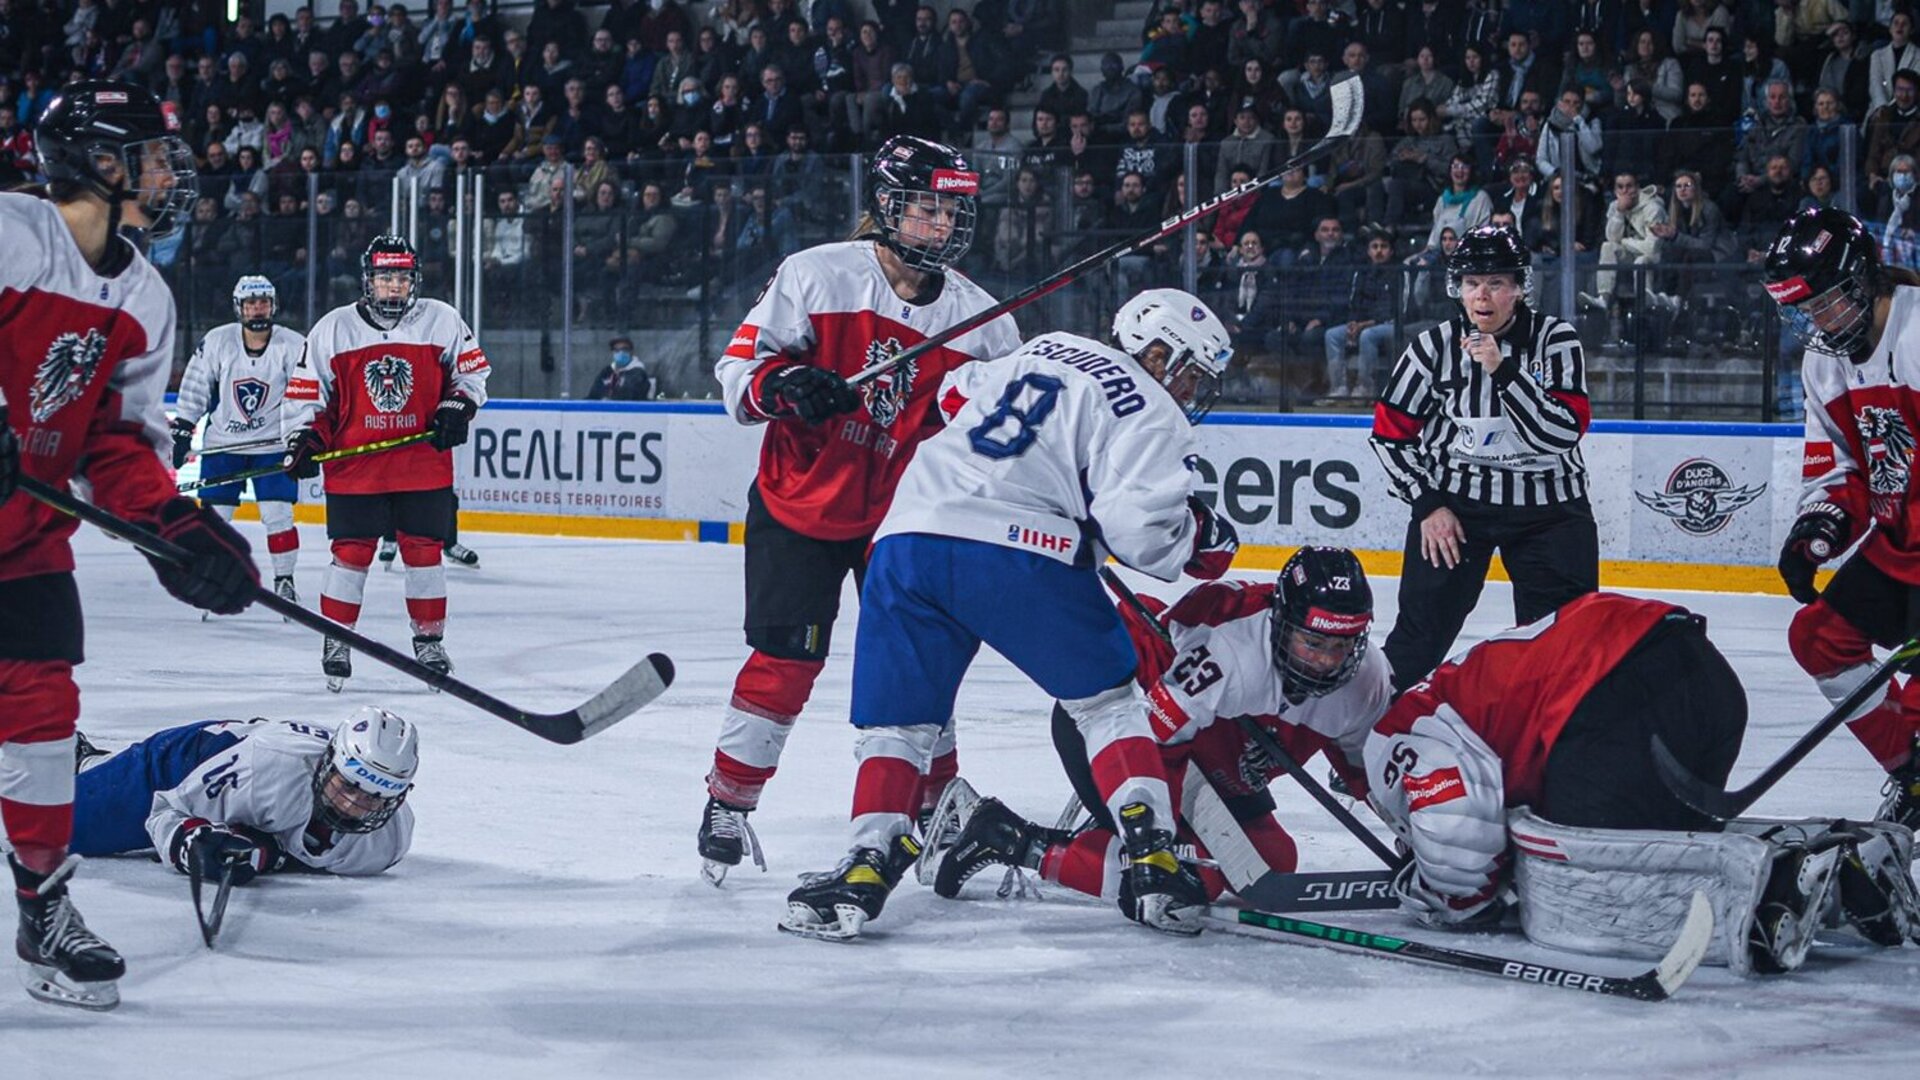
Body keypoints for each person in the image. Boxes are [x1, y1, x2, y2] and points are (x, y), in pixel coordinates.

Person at [780, 288, 1241, 941]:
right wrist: (1200, 539)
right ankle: (1153, 856)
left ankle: (866, 862)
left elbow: (952, 399)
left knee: (901, 724)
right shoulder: (1154, 408)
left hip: (910, 535)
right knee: (1108, 705)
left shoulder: (1042, 347)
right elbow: (1140, 530)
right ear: (1157, 351)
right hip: (1021, 551)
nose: (1193, 389)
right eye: (1191, 371)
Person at [699, 136, 1022, 885]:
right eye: (925, 209)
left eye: (951, 212)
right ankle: (729, 798)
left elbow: (995, 435)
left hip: (903, 519)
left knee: (916, 668)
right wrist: (783, 387)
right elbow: (739, 369)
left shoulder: (984, 325)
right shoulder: (817, 275)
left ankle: (938, 805)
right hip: (798, 503)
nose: (940, 226)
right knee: (786, 662)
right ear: (886, 207)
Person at [1, 81, 255, 1012]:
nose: (168, 172)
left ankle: (43, 908)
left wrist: (178, 531)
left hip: (23, 542)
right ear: (100, 162)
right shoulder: (8, 234)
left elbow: (115, 442)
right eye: (153, 154)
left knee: (40, 727)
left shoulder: (144, 298)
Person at [1364, 591, 1919, 975]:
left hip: (1615, 692)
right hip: (1704, 681)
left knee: (1586, 869)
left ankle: (1777, 886)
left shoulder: (1392, 734)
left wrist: (1443, 897)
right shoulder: (1466, 689)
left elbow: (1456, 825)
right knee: (1669, 842)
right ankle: (1845, 862)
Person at [930, 547, 1389, 911]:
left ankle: (1106, 839)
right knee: (1194, 882)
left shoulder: (1367, 680)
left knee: (1272, 861)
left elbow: (1373, 770)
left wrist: (1422, 849)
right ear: (1282, 623)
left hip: (1216, 750)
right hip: (1123, 730)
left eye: (1342, 644)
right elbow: (1154, 742)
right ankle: (1010, 838)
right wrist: (1155, 849)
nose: (1328, 660)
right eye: (1314, 642)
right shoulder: (1229, 652)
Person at [1370, 225, 1596, 693]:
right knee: (1416, 644)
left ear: (1519, 289)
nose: (1482, 295)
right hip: (1457, 509)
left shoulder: (1557, 340)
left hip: (1549, 514)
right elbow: (1389, 436)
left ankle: (1548, 757)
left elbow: (1561, 434)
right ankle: (1361, 749)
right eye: (1472, 283)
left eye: (1495, 283)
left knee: (1563, 650)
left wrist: (1501, 369)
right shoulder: (1431, 348)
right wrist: (1428, 504)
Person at [1760, 207, 1920, 834]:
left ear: (1862, 280)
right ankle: (1911, 767)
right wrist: (1819, 528)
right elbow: (1842, 468)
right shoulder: (1824, 364)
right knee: (1818, 639)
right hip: (1899, 547)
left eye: (1821, 304)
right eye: (1801, 311)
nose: (1813, 323)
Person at [282, 233, 491, 692]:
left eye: (401, 277)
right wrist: (303, 436)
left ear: (413, 280)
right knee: (351, 555)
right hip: (356, 471)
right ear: (367, 281)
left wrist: (459, 405)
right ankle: (336, 639)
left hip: (421, 465)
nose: (393, 286)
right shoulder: (333, 328)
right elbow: (305, 394)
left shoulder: (441, 319)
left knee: (424, 554)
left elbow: (473, 373)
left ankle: (429, 642)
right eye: (384, 277)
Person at [69, 708, 416, 879]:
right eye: (349, 785)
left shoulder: (386, 844)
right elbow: (165, 809)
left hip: (250, 787)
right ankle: (76, 757)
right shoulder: (269, 769)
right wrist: (189, 843)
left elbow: (290, 846)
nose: (352, 804)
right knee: (46, 832)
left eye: (373, 798)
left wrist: (268, 853)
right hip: (193, 761)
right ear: (328, 763)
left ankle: (95, 764)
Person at [171, 276, 308, 608]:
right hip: (224, 445)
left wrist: (303, 436)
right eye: (250, 303)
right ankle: (214, 577)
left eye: (263, 302)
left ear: (273, 305)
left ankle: (285, 580)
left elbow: (306, 394)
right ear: (239, 307)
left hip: (272, 446)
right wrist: (184, 429)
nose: (257, 308)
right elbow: (195, 387)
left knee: (278, 516)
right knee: (216, 520)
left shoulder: (293, 344)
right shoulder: (218, 341)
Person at [589, 335, 655, 401]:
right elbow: (593, 395)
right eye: (616, 350)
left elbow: (630, 395)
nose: (621, 353)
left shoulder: (638, 373)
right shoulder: (607, 371)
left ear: (631, 352)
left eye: (625, 349)